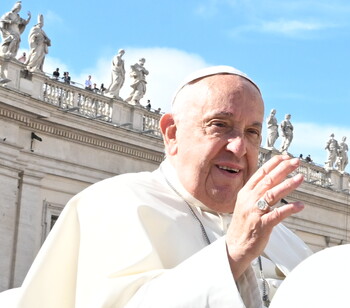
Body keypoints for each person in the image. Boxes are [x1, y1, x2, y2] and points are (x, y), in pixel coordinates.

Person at [0, 66, 311, 307]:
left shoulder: (284, 238)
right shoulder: (111, 205)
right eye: (220, 125)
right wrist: (232, 253)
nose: (240, 147)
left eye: (252, 132)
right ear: (172, 133)